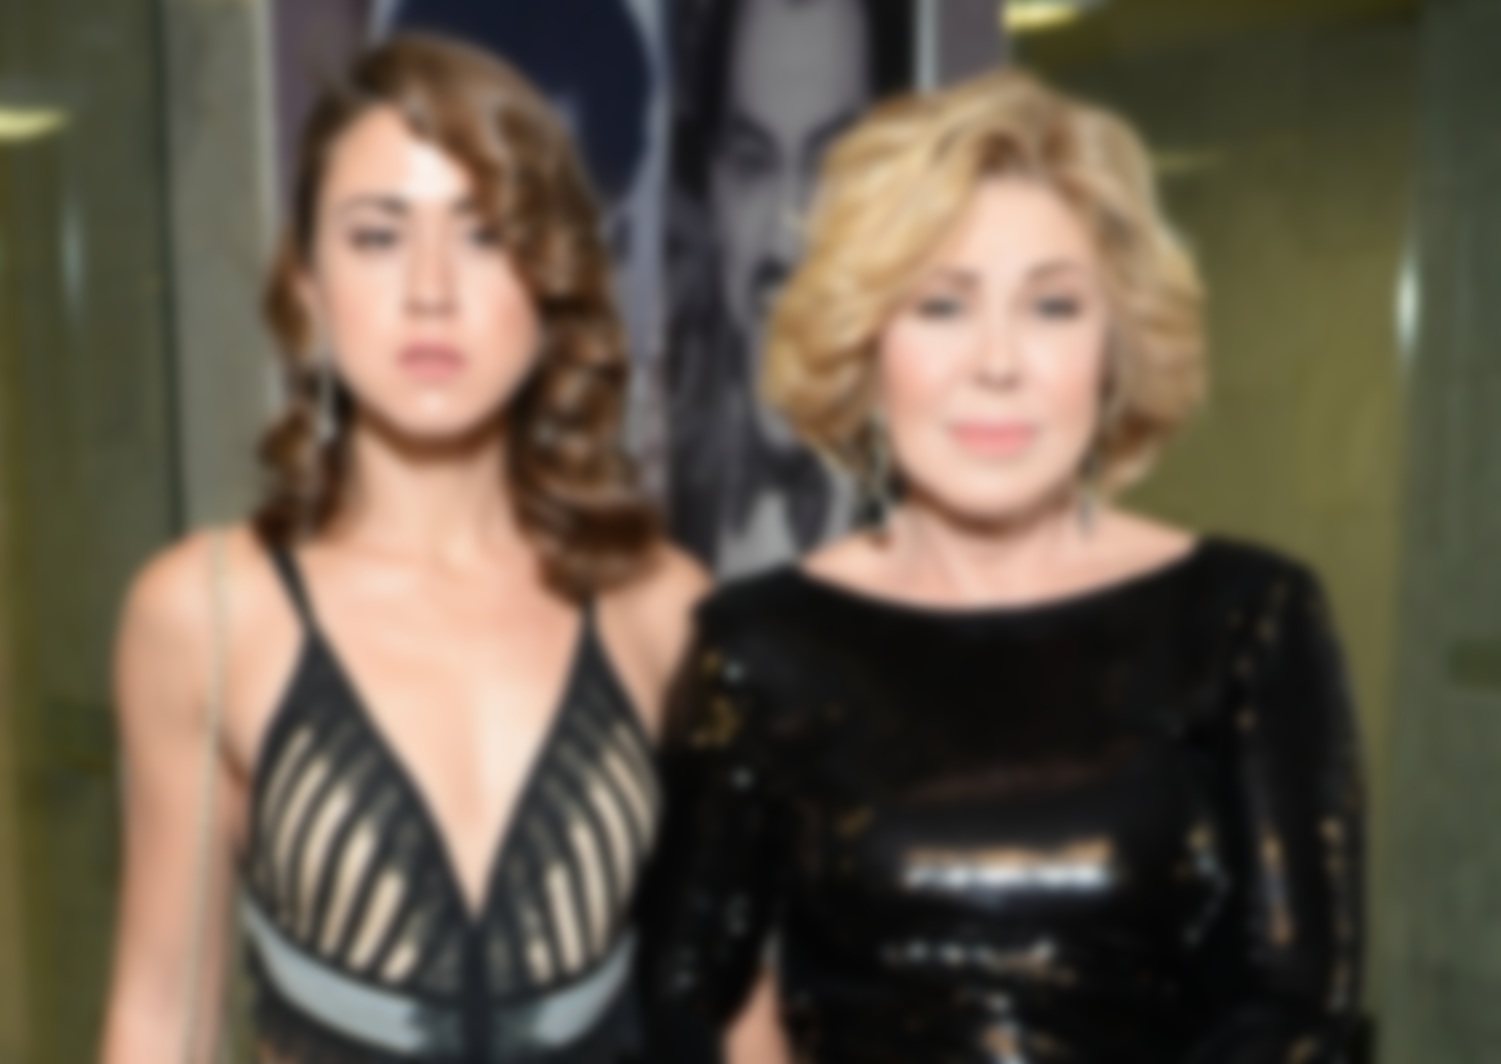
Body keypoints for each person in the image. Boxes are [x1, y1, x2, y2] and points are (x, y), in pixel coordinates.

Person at [641, 68, 1365, 1063]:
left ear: (1113, 349)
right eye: (941, 305)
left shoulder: (1247, 619)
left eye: (1052, 307)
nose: (997, 362)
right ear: (867, 344)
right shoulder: (758, 645)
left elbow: (1300, 1009)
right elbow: (679, 997)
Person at [101, 34, 704, 1063]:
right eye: (377, 237)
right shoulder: (205, 612)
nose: (430, 289)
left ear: (550, 280)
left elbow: (732, 1003)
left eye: (485, 235)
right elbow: (162, 1016)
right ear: (306, 285)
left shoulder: (661, 605)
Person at [667, 0, 910, 578]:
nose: (784, 240)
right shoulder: (649, 500)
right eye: (753, 162)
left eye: (831, 165)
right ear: (713, 186)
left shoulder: (954, 498)